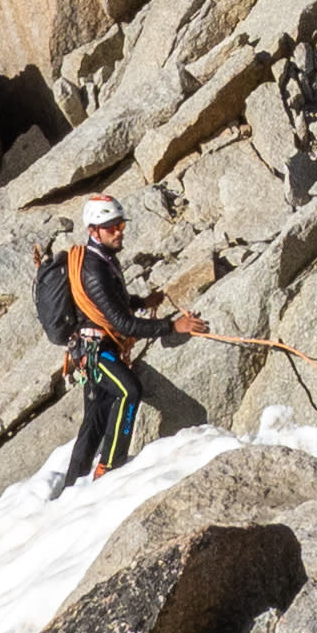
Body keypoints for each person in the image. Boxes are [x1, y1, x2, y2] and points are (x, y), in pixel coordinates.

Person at [43, 194, 194, 490]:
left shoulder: (100, 259)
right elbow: (121, 323)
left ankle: (72, 485)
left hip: (94, 349)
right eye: (111, 227)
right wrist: (172, 326)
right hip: (98, 351)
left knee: (96, 415)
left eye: (120, 225)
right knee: (129, 391)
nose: (119, 231)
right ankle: (110, 466)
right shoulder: (94, 268)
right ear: (94, 231)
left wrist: (140, 301)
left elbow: (111, 304)